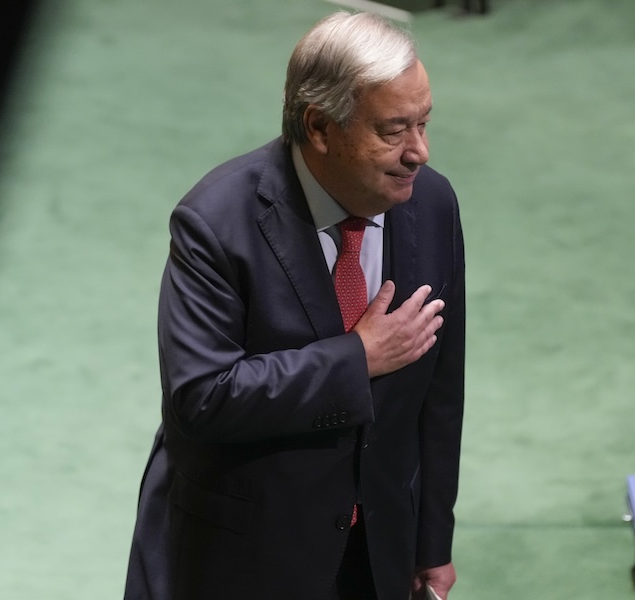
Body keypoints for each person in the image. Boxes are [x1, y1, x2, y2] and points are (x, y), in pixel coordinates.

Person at [123, 11, 466, 600]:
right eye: (393, 130)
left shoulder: (431, 204)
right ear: (320, 127)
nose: (420, 153)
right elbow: (201, 395)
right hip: (241, 561)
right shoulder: (216, 222)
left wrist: (431, 541)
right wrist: (356, 359)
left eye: (424, 124)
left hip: (376, 556)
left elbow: (440, 389)